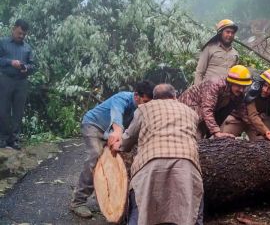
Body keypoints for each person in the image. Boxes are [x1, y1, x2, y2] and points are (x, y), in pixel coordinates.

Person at [112, 84, 203, 225]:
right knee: (193, 205)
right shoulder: (190, 112)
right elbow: (195, 137)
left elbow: (129, 138)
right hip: (186, 162)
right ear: (175, 96)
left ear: (154, 98)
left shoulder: (144, 109)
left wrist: (120, 146)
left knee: (141, 207)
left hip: (150, 163)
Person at [70, 80, 155, 218]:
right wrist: (117, 132)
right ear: (136, 96)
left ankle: (109, 198)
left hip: (108, 132)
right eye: (144, 101)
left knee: (115, 163)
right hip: (93, 125)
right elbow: (117, 117)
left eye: (149, 102)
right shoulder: (121, 98)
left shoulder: (143, 107)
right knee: (95, 155)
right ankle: (78, 202)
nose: (147, 105)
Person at [180, 65, 252, 139]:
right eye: (239, 86)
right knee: (194, 138)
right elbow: (207, 109)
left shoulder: (239, 93)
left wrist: (257, 128)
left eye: (244, 87)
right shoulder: (215, 85)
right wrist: (216, 132)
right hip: (189, 108)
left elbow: (243, 112)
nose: (242, 90)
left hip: (205, 112)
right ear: (231, 82)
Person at [221, 69, 270, 142]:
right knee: (224, 140)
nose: (265, 90)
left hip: (255, 124)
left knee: (264, 142)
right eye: (265, 85)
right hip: (237, 119)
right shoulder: (249, 89)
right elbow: (252, 114)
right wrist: (268, 132)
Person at [0, 19, 35, 149]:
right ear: (13, 29)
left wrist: (26, 67)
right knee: (3, 110)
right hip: (5, 80)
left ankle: (14, 139)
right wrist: (10, 62)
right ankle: (2, 138)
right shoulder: (2, 43)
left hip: (21, 82)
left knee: (18, 111)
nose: (21, 36)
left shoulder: (27, 47)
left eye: (23, 34)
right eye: (19, 33)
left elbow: (33, 65)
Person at [194, 19, 239, 85]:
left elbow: (235, 76)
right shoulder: (209, 48)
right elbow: (199, 72)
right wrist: (197, 91)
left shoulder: (235, 54)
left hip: (225, 92)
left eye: (232, 33)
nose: (230, 35)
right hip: (207, 90)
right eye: (227, 32)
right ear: (221, 33)